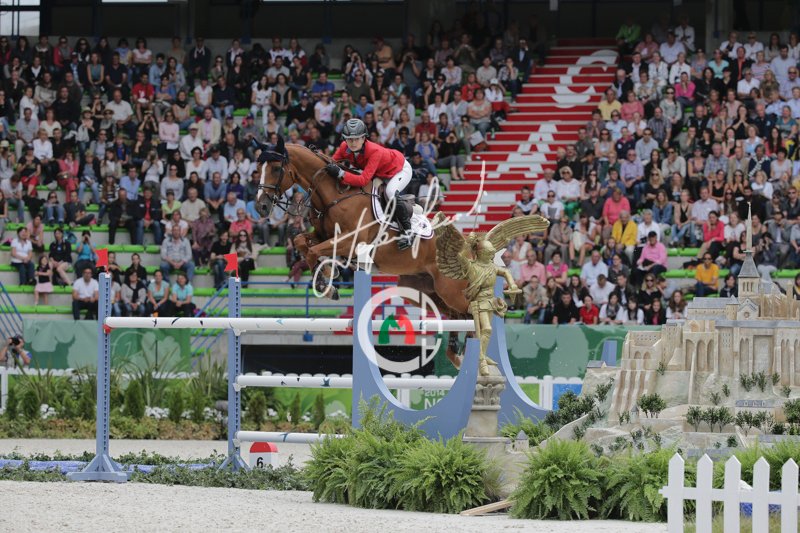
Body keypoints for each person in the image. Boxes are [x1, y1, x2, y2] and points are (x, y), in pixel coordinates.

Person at [325, 118, 415, 249]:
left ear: (364, 138)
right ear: (345, 139)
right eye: (349, 139)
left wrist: (341, 174)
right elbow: (331, 162)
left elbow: (363, 180)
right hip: (379, 173)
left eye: (357, 139)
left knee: (390, 192)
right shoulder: (344, 147)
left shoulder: (374, 151)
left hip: (399, 169)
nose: (353, 143)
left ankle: (408, 232)